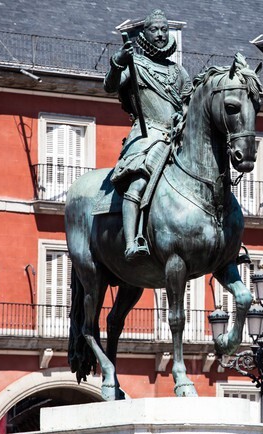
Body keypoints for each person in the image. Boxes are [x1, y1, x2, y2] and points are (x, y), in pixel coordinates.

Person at [104, 9, 193, 260]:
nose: (161, 34)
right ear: (144, 34)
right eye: (154, 30)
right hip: (148, 135)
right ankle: (131, 242)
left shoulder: (179, 72)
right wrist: (118, 61)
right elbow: (110, 86)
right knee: (139, 182)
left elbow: (189, 104)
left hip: (176, 137)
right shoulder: (136, 65)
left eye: (164, 29)